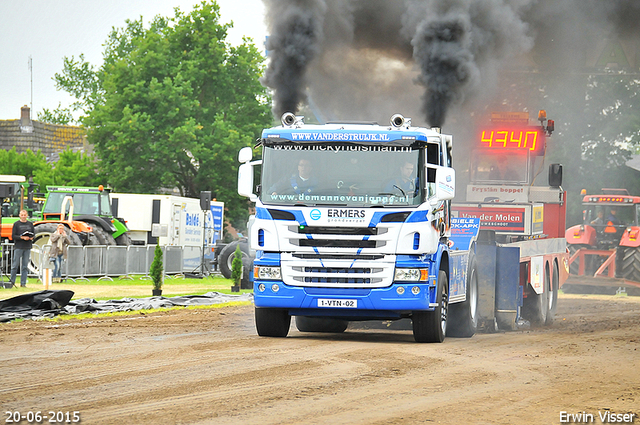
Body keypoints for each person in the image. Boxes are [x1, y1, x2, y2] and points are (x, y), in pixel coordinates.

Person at [10, 209, 35, 287]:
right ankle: (12, 282)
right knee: (15, 265)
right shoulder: (16, 224)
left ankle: (23, 283)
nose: (24, 216)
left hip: (27, 247)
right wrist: (22, 237)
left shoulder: (30, 224)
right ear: (19, 215)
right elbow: (13, 236)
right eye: (22, 215)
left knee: (25, 266)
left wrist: (31, 237)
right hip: (19, 246)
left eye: (25, 215)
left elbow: (34, 234)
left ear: (27, 215)